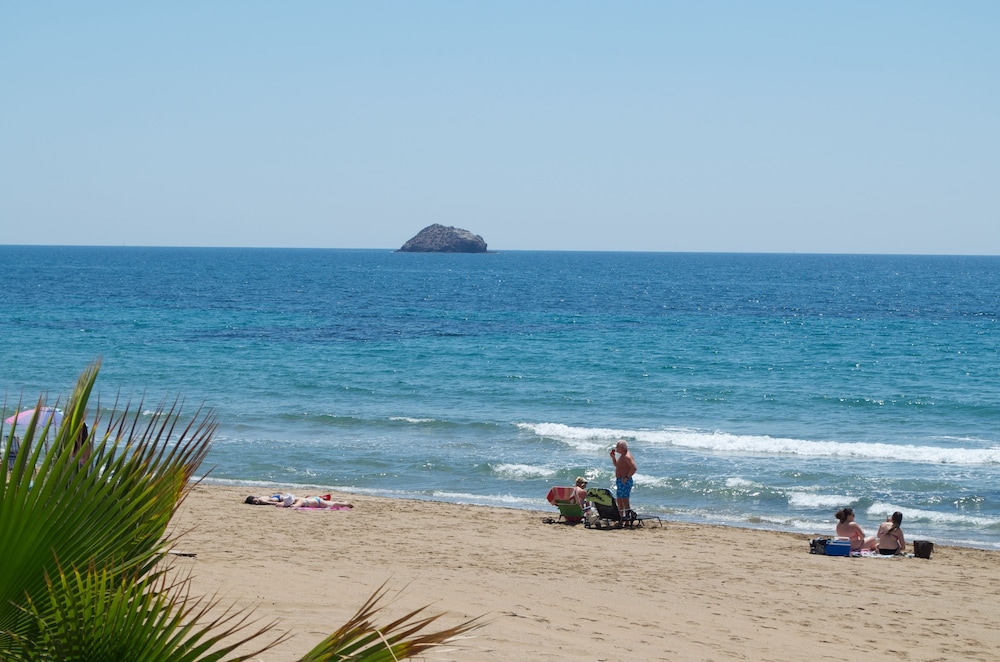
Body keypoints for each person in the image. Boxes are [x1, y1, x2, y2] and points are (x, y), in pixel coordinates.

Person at [609, 439, 637, 517]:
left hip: (624, 481)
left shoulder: (627, 456)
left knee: (625, 501)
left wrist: (627, 477)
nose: (616, 448)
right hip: (619, 480)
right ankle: (621, 517)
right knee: (619, 500)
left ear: (621, 448)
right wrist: (613, 458)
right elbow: (617, 465)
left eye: (617, 447)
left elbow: (634, 468)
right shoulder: (622, 455)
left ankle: (627, 518)